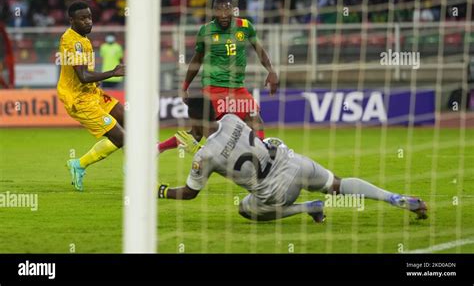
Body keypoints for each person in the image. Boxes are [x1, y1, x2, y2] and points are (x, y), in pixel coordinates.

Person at [157, 97, 428, 222]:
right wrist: (263, 140)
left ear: (194, 119)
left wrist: (160, 191)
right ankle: (396, 198)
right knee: (338, 185)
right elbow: (255, 120)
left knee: (245, 210)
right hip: (293, 162)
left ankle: (308, 208)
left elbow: (190, 194)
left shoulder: (205, 156)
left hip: (276, 192)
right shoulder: (230, 118)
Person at [158, 0, 279, 155]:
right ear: (213, 11)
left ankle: (261, 158)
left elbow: (259, 50)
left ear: (233, 10)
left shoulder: (245, 26)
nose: (223, 14)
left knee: (255, 120)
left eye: (227, 9)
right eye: (219, 10)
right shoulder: (206, 30)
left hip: (237, 89)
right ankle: (158, 148)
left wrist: (271, 70)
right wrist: (185, 86)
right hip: (214, 88)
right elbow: (197, 60)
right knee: (198, 134)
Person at [57, 1, 125, 191]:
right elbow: (83, 76)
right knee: (121, 138)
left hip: (93, 93)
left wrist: (98, 81)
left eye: (89, 17)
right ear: (72, 20)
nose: (88, 21)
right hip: (79, 100)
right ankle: (79, 164)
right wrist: (113, 72)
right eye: (83, 18)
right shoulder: (71, 41)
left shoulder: (84, 39)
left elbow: (88, 75)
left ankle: (132, 169)